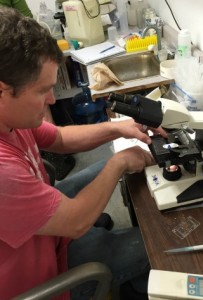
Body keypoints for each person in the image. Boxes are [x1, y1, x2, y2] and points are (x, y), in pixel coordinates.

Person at [0, 6, 166, 300]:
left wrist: (120, 129)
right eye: (43, 91)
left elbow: (61, 137)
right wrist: (119, 162)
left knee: (112, 162)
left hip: (45, 234)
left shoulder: (12, 119)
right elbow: (76, 222)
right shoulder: (3, 173)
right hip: (45, 280)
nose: (52, 99)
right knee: (161, 243)